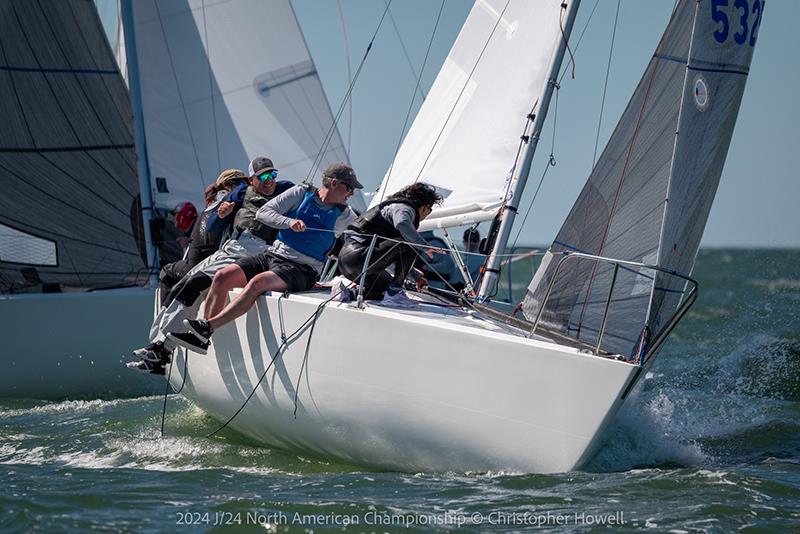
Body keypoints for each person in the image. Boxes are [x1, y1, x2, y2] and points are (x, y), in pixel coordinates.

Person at [170, 163, 362, 354]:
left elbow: (364, 234)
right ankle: (201, 339)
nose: (351, 194)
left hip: (303, 269)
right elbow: (263, 213)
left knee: (257, 283)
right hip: (274, 255)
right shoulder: (301, 193)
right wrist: (288, 222)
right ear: (334, 183)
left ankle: (208, 326)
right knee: (222, 277)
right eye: (349, 187)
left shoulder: (345, 215)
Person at [127, 157, 293, 373]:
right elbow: (214, 224)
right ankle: (158, 349)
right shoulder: (241, 193)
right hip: (233, 247)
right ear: (252, 179)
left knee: (193, 283)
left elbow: (310, 196)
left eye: (272, 174)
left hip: (253, 251)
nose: (269, 180)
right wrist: (223, 213)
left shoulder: (286, 190)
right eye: (263, 176)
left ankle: (160, 347)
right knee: (185, 283)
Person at [336, 182, 443, 307]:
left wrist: (414, 275)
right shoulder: (404, 208)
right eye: (430, 209)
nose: (428, 213)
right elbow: (402, 224)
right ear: (424, 207)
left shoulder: (395, 208)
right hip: (359, 258)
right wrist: (424, 246)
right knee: (410, 241)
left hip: (348, 262)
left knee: (384, 288)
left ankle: (347, 293)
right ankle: (395, 293)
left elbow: (386, 255)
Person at [157, 169, 247, 306]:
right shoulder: (241, 204)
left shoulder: (214, 211)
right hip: (222, 264)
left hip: (200, 268)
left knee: (166, 272)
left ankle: (163, 315)